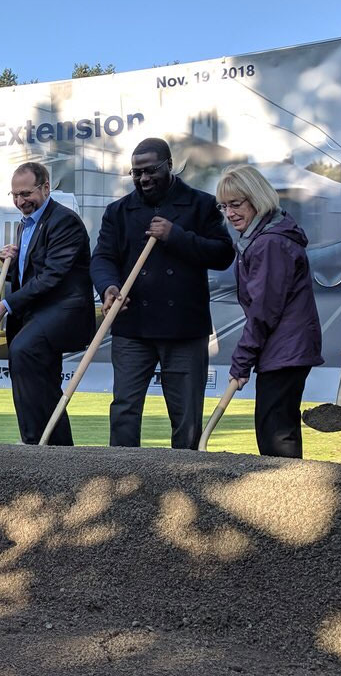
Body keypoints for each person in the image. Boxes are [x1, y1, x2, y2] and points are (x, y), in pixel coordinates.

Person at [90, 137, 235, 449]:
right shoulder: (118, 211)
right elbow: (102, 258)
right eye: (136, 173)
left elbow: (224, 254)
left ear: (169, 165)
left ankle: (186, 478)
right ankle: (119, 477)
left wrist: (176, 236)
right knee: (125, 409)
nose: (143, 179)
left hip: (184, 327)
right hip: (132, 327)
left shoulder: (201, 204)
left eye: (151, 171)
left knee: (186, 415)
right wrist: (109, 287)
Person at [0, 162, 93, 445]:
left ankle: (34, 442)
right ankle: (54, 447)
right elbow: (34, 268)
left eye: (26, 193)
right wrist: (15, 257)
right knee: (39, 377)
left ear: (45, 187)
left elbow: (51, 276)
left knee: (23, 349)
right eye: (15, 195)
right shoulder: (26, 225)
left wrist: (5, 305)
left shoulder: (65, 221)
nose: (20, 202)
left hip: (63, 310)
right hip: (38, 314)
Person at [216, 165, 323, 458]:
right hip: (283, 350)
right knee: (274, 430)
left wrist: (242, 361)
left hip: (285, 351)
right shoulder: (262, 238)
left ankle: (289, 500)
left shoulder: (270, 243)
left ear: (257, 199)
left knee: (276, 436)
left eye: (236, 204)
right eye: (224, 206)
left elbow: (263, 311)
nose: (230, 213)